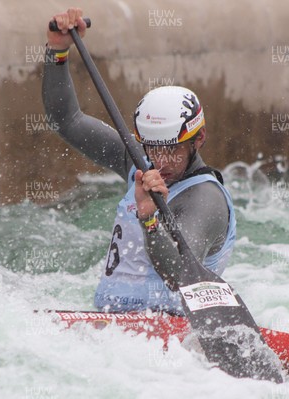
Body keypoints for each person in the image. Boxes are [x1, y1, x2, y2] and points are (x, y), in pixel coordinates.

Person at [43, 8, 236, 315]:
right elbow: (65, 120)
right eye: (152, 149)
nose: (160, 161)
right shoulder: (138, 162)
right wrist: (58, 50)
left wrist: (149, 218)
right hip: (117, 331)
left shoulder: (205, 199)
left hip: (170, 339)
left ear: (198, 140)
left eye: (171, 150)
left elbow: (178, 277)